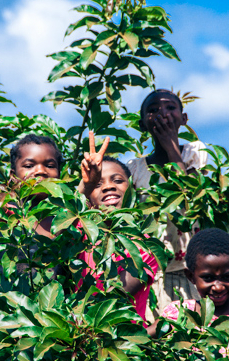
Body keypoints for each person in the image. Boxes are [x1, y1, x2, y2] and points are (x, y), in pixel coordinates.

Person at [126, 89, 208, 315]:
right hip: (153, 272)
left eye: (170, 108)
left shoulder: (195, 153)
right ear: (143, 124)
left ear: (184, 119)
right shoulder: (135, 168)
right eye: (153, 110)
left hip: (192, 271)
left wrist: (172, 146)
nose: (162, 113)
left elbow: (190, 194)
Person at [79, 132, 158, 323]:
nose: (108, 187)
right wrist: (84, 185)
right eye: (97, 184)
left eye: (118, 180)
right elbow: (51, 237)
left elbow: (113, 298)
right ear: (88, 199)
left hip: (122, 342)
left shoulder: (143, 246)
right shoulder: (78, 234)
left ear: (132, 189)